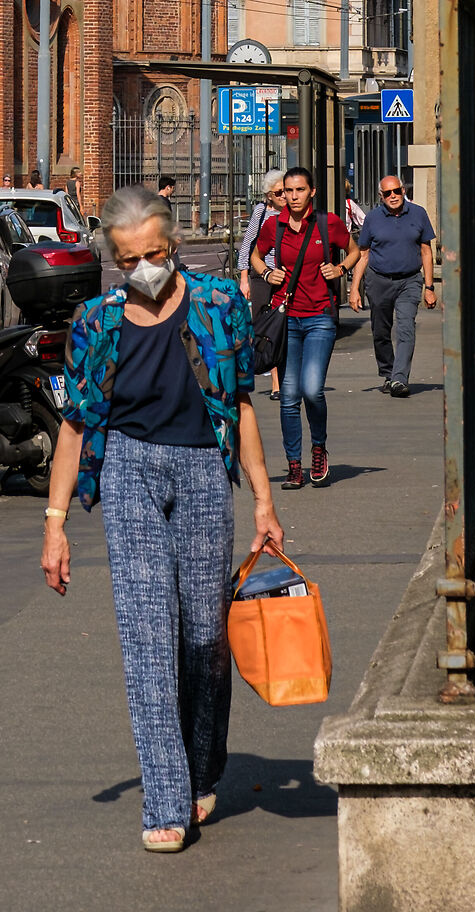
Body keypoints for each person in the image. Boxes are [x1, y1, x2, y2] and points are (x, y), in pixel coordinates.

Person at [42, 185, 281, 853]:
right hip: (128, 472)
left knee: (204, 638)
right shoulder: (96, 323)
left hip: (206, 471)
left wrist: (263, 500)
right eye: (128, 260)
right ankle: (165, 803)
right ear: (114, 262)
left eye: (154, 253)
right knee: (148, 639)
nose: (143, 267)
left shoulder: (217, 304)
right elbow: (74, 425)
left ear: (173, 246)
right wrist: (55, 524)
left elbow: (241, 405)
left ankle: (204, 767)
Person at [250, 165, 358, 488]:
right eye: (288, 191)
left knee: (312, 389)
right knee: (288, 396)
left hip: (320, 317)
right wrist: (268, 274)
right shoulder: (274, 225)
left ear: (312, 192)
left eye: (299, 190)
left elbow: (354, 251)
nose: (292, 197)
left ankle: (319, 447)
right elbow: (256, 256)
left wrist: (339, 270)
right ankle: (294, 464)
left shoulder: (328, 224)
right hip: (287, 319)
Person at [349, 175, 436, 397]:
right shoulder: (373, 218)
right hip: (378, 281)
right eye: (387, 193)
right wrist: (354, 289)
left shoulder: (418, 214)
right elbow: (364, 254)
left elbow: (426, 251)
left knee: (406, 328)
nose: (393, 196)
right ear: (381, 196)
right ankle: (388, 372)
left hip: (409, 280)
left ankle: (399, 378)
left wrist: (429, 287)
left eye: (396, 191)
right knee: (380, 330)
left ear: (403, 190)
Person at [237, 170, 286, 398]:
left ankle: (284, 379)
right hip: (262, 275)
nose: (285, 195)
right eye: (279, 192)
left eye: (286, 190)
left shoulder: (294, 213)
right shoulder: (261, 211)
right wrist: (244, 278)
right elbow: (247, 245)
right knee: (266, 327)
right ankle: (276, 382)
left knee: (284, 325)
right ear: (269, 196)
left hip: (285, 275)